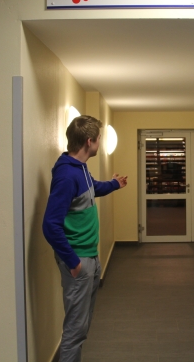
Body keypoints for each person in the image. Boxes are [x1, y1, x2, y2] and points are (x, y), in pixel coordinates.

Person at [42, 115, 128, 362]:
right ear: (89, 141)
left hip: (89, 256)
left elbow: (92, 189)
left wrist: (113, 184)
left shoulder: (79, 169)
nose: (100, 142)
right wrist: (73, 262)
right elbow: (50, 225)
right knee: (74, 331)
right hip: (79, 260)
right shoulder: (67, 175)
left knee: (81, 326)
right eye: (99, 138)